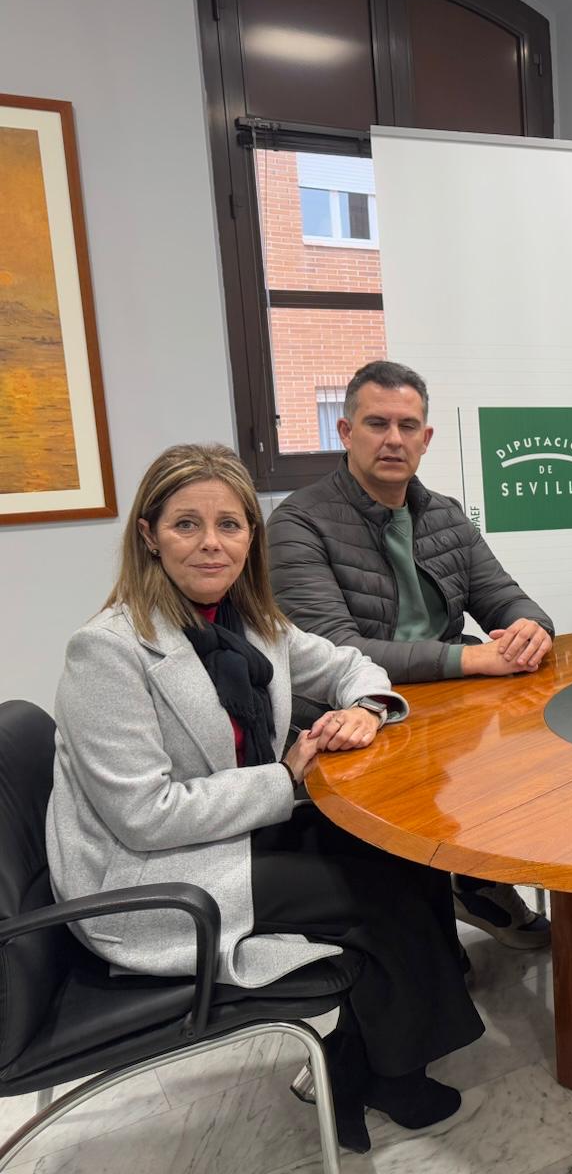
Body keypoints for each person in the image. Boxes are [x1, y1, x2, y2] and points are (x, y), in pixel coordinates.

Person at [47, 444, 482, 1154]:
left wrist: (367, 708)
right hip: (145, 879)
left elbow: (351, 663)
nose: (211, 543)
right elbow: (144, 815)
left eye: (230, 524)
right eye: (187, 524)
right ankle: (393, 1075)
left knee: (403, 854)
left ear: (252, 535)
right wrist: (285, 777)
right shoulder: (107, 651)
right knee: (371, 894)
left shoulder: (250, 624)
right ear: (150, 536)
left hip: (223, 835)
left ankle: (371, 1048)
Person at [267, 360, 555, 950]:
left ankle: (475, 881)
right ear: (346, 432)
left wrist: (532, 627)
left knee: (536, 762)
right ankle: (429, 930)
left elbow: (505, 597)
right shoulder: (298, 522)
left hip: (448, 705)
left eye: (407, 426)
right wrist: (470, 661)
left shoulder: (443, 513)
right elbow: (336, 651)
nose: (393, 439)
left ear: (426, 439)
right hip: (357, 712)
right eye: (377, 424)